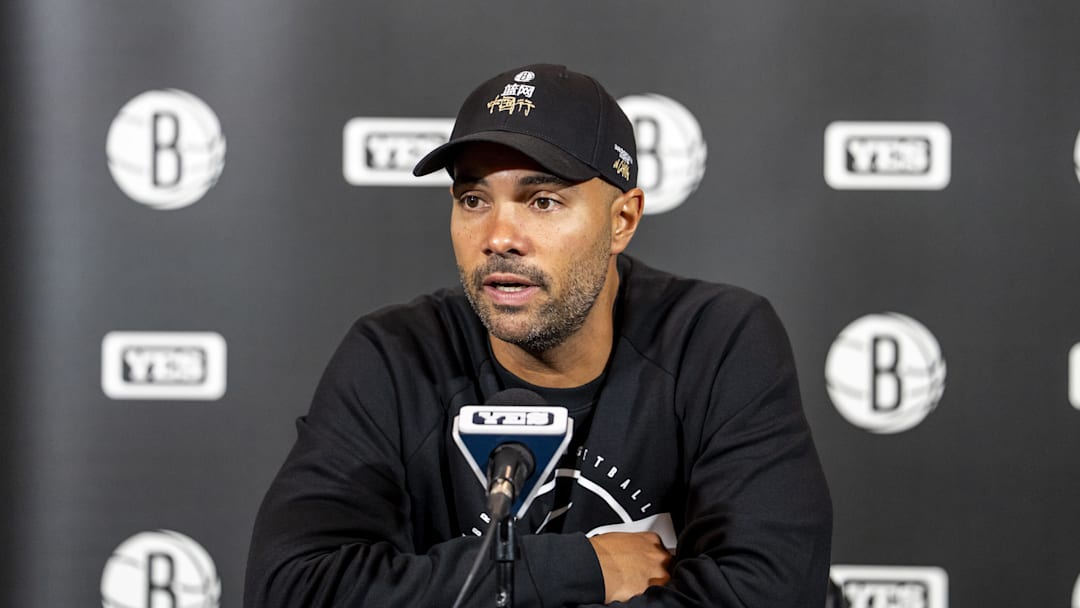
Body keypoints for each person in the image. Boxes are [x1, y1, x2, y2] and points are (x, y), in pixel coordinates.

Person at [244, 63, 832, 607]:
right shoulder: (397, 355)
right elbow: (292, 588)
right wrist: (584, 567)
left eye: (543, 201)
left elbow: (768, 593)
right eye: (473, 199)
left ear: (622, 220)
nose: (499, 237)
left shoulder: (716, 341)